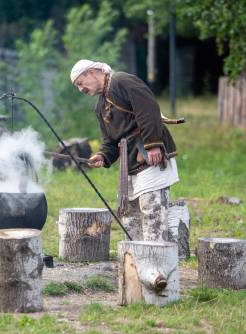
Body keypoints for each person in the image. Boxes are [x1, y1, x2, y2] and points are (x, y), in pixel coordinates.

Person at [70, 59, 179, 241]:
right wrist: (103, 156)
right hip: (129, 164)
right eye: (77, 87)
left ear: (91, 72)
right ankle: (135, 262)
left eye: (80, 83)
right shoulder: (100, 107)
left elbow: (148, 108)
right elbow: (110, 141)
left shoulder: (121, 81)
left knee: (153, 214)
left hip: (149, 156)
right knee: (130, 218)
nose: (81, 89)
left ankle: (156, 263)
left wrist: (152, 144)